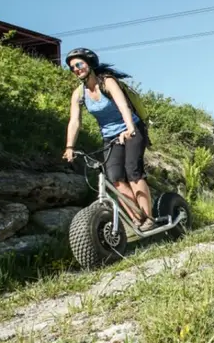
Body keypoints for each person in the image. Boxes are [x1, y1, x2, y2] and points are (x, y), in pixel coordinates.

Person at [62, 47, 156, 232]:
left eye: (79, 64)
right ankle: (138, 218)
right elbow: (74, 121)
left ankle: (149, 218)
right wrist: (69, 146)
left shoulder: (107, 82)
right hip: (110, 136)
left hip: (132, 128)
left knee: (133, 172)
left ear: (89, 64)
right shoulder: (79, 94)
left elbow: (123, 105)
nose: (76, 69)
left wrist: (129, 127)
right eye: (72, 68)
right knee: (115, 178)